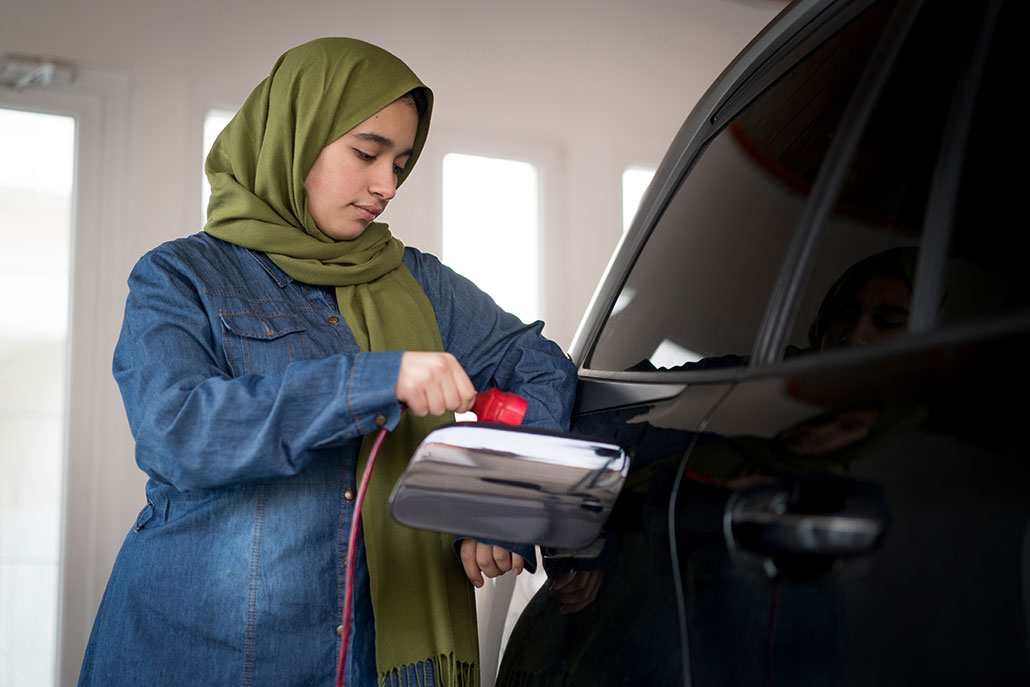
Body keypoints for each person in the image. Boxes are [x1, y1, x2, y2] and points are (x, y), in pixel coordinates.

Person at [77, 37, 577, 687]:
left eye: (400, 162)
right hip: (203, 652)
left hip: (381, 661)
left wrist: (502, 505)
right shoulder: (180, 275)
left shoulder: (420, 283)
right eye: (367, 153)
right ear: (294, 137)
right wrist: (374, 377)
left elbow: (537, 364)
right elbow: (178, 431)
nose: (387, 184)